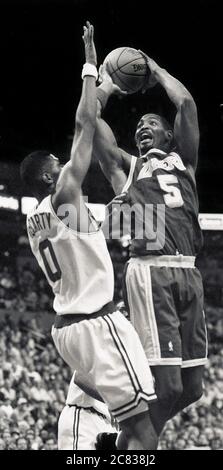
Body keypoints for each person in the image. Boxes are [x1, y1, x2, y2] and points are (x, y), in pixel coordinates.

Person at [20, 22, 158, 450]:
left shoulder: (36, 218)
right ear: (48, 174)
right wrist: (94, 71)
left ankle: (104, 451)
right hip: (95, 323)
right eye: (59, 163)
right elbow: (84, 125)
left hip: (68, 332)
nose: (67, 164)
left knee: (128, 424)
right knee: (146, 431)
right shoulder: (63, 194)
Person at [93, 53, 208, 436]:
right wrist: (106, 84)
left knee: (192, 389)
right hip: (151, 273)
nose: (143, 126)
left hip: (189, 273)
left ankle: (126, 440)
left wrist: (155, 70)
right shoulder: (129, 169)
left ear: (169, 136)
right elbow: (91, 123)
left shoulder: (185, 163)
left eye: (152, 123)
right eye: (139, 124)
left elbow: (186, 103)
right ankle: (134, 447)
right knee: (169, 386)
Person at [58, 371, 117, 450]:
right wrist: (110, 401)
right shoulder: (106, 358)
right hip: (84, 416)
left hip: (107, 423)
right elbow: (80, 378)